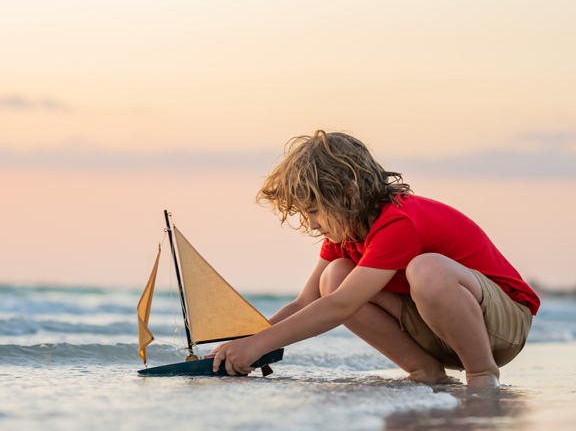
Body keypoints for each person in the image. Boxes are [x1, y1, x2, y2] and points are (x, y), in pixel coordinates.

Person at [208, 130, 538, 387]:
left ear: (349, 196)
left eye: (314, 211)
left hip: (498, 329)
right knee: (334, 277)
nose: (311, 224)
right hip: (439, 332)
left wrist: (257, 345)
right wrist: (249, 343)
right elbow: (305, 303)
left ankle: (482, 375)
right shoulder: (346, 233)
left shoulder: (398, 222)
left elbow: (342, 306)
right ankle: (427, 371)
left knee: (427, 269)